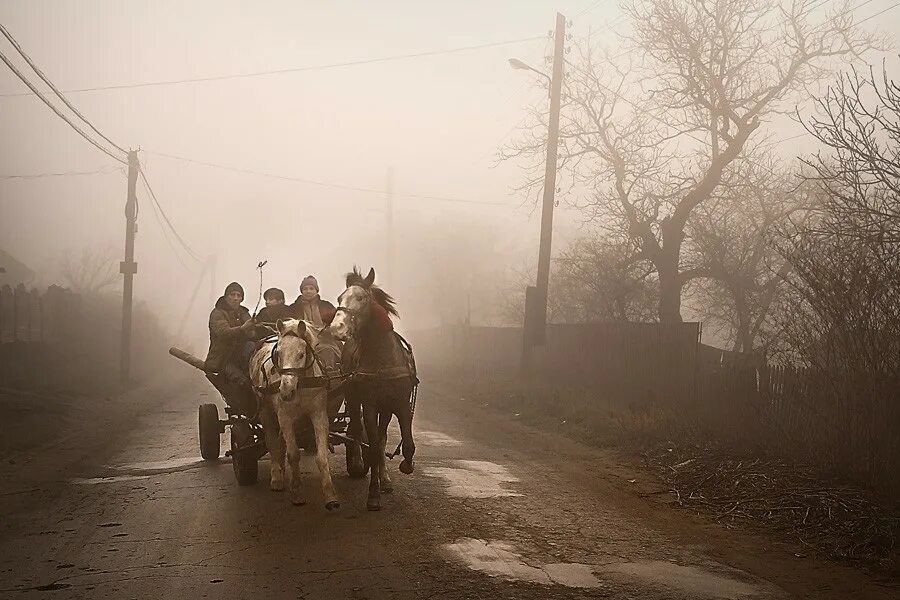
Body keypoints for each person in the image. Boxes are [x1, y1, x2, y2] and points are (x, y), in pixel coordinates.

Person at [205, 281, 256, 388]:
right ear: (226, 296)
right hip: (224, 358)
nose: (235, 298)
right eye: (232, 295)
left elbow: (252, 332)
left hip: (243, 356)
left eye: (239, 295)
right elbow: (224, 333)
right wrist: (243, 329)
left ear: (242, 299)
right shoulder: (217, 313)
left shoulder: (244, 313)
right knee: (243, 384)